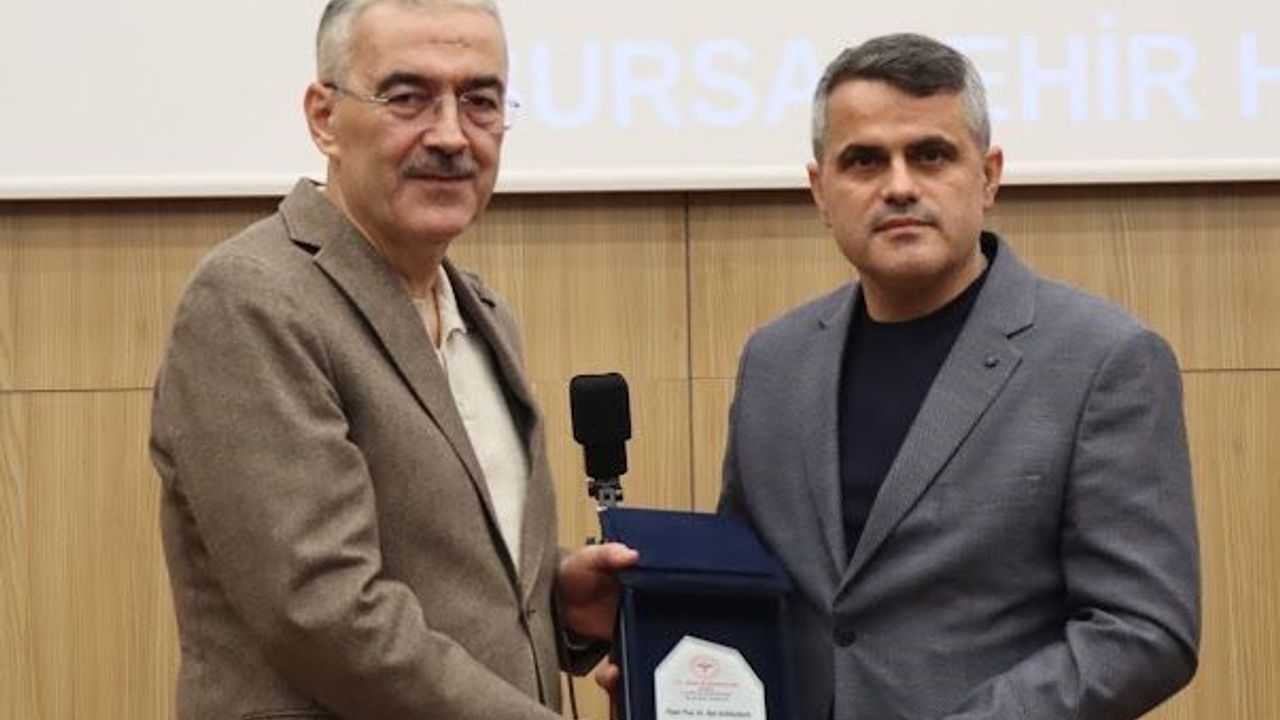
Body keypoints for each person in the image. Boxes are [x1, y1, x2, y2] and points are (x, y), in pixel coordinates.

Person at [150, 1, 634, 718]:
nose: (451, 135)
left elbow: (441, 558)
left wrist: (557, 592)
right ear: (323, 118)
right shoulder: (253, 300)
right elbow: (323, 609)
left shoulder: (482, 311)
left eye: (481, 101)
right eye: (408, 97)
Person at [717, 33, 1200, 720]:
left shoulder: (1105, 360)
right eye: (864, 161)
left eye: (931, 155)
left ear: (989, 176)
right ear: (821, 191)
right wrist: (665, 671)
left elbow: (1145, 631)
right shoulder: (774, 361)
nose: (899, 186)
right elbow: (740, 590)